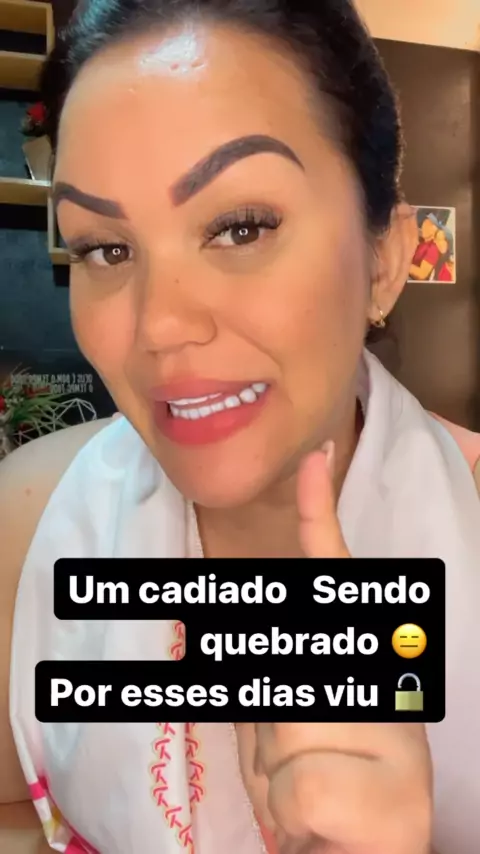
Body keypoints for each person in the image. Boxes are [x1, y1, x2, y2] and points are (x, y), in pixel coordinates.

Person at [1, 1, 479, 853]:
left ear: (384, 259)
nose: (159, 326)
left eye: (240, 227)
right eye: (106, 249)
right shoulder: (26, 524)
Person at [409, 212, 441, 281]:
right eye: (424, 224)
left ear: (435, 229)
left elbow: (421, 275)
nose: (424, 227)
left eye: (428, 225)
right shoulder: (424, 242)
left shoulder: (433, 249)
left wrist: (404, 266)